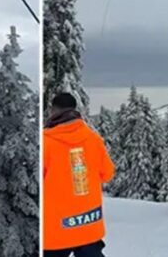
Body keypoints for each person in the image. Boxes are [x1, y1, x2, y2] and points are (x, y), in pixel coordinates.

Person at [44, 93, 115, 257]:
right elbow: (107, 174)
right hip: (88, 223)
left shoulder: (46, 143)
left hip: (56, 229)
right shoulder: (93, 139)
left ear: (53, 110)